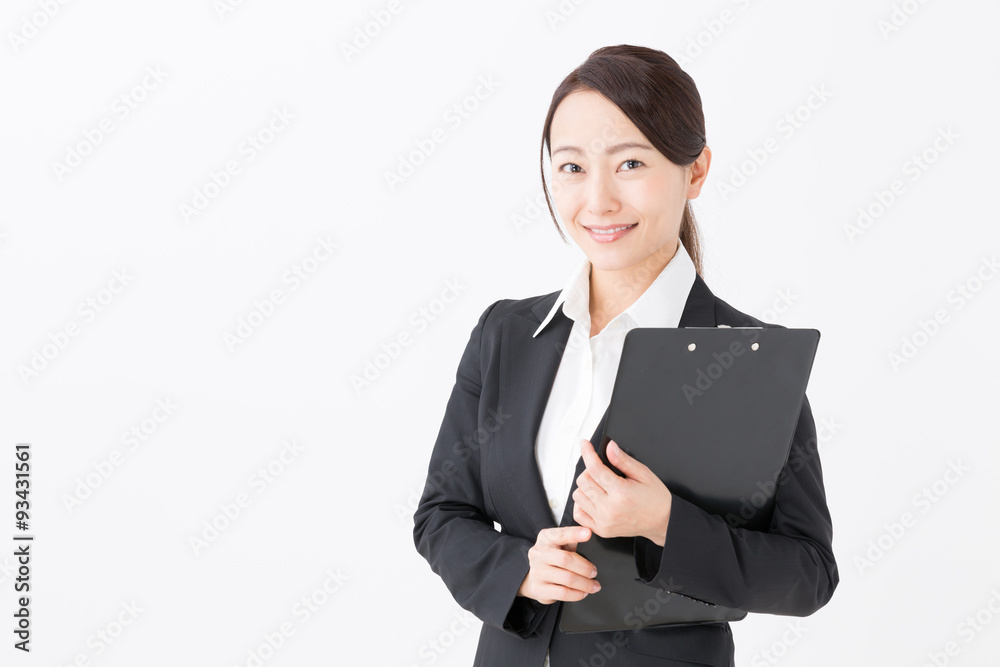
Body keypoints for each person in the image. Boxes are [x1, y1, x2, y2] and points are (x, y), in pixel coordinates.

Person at [412, 44, 838, 667]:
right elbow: (441, 515)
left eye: (631, 162)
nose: (599, 201)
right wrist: (518, 571)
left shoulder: (748, 358)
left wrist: (667, 523)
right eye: (572, 167)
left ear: (695, 171)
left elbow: (808, 573)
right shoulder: (505, 335)